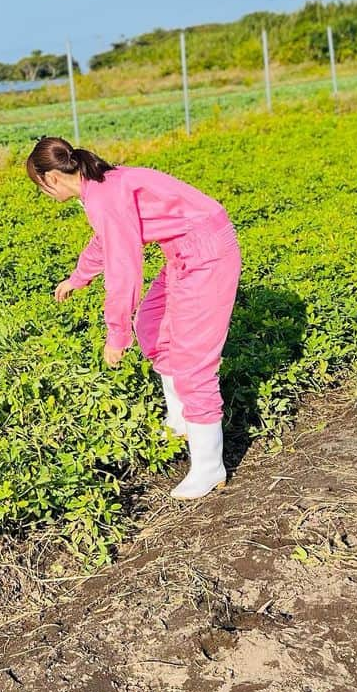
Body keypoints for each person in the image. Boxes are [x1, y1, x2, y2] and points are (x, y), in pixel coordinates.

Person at [26, 137, 242, 500]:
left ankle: (209, 468)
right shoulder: (98, 188)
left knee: (194, 364)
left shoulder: (103, 196)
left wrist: (116, 334)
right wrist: (78, 278)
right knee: (153, 327)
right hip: (183, 251)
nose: (42, 192)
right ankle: (180, 422)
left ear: (52, 178)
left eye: (39, 185)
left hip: (206, 254)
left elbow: (124, 268)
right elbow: (104, 242)